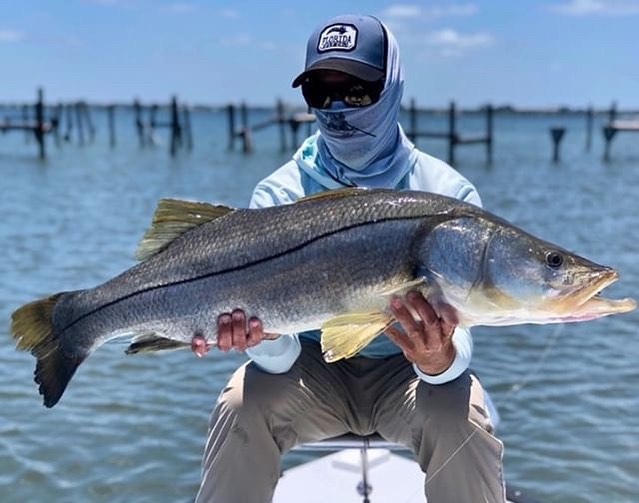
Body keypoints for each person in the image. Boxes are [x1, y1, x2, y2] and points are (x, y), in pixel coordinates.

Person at [195, 14, 506, 503]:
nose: (338, 107)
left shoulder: (446, 194)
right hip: (311, 365)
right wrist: (263, 338)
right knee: (241, 402)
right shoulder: (280, 194)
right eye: (321, 92)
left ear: (392, 85)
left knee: (460, 414)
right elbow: (277, 359)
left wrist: (436, 358)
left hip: (408, 374)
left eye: (357, 90)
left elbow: (463, 335)